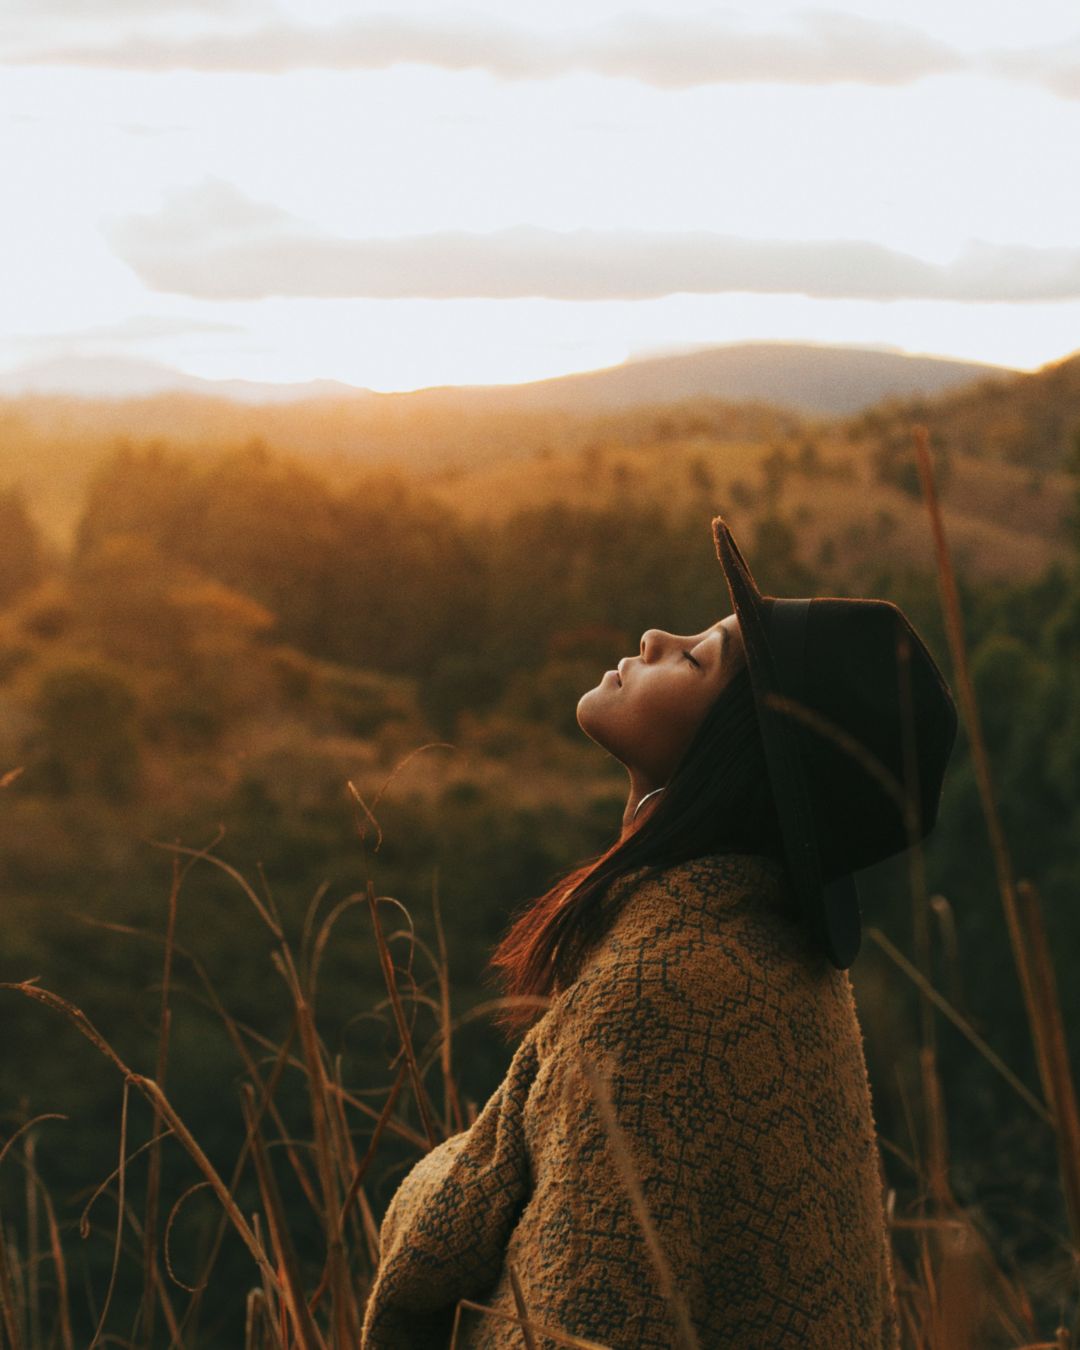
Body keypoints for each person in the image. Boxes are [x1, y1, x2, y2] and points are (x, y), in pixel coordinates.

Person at [360, 515, 958, 1349]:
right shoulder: (771, 963)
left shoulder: (658, 998)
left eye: (696, 658)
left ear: (737, 752)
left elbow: (580, 1323)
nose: (653, 636)